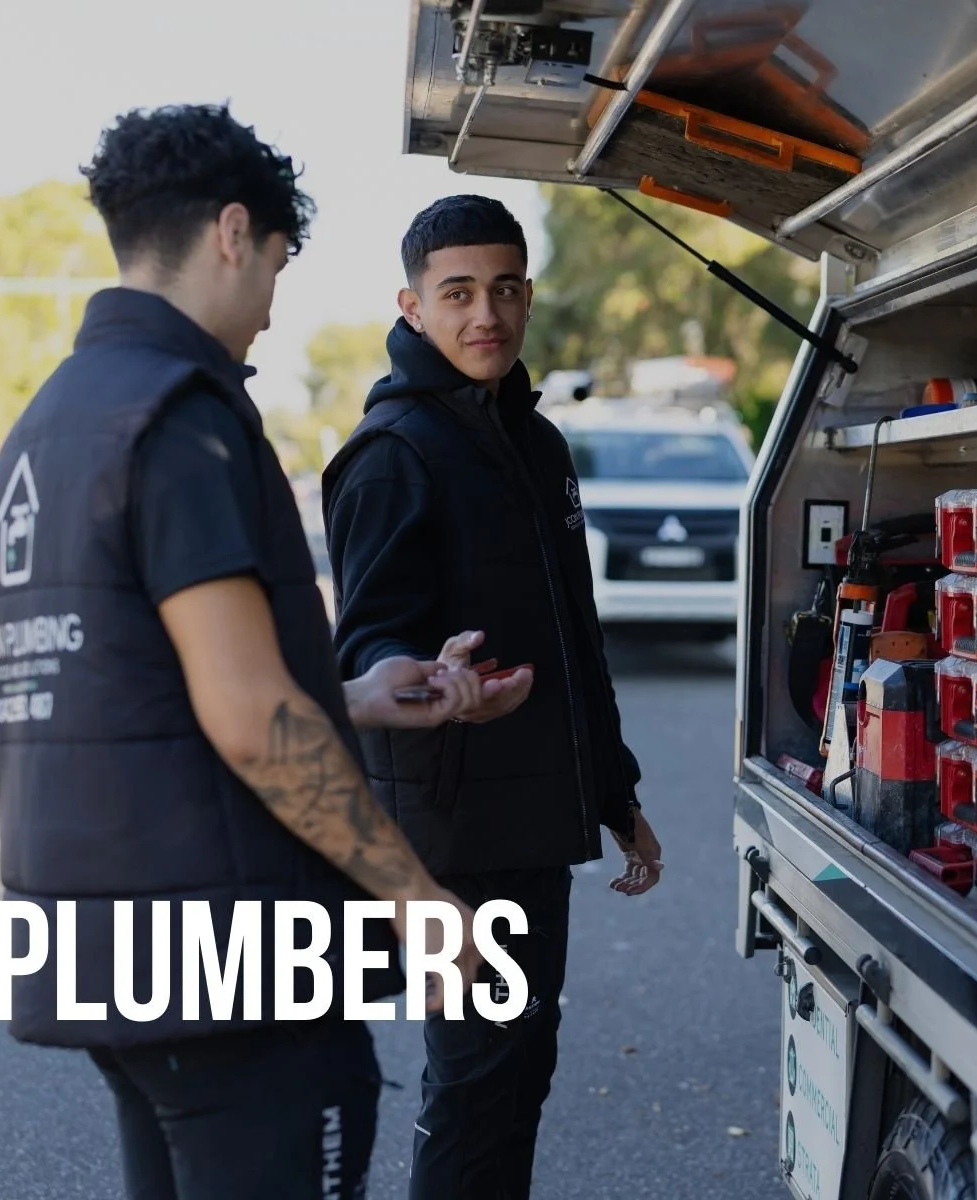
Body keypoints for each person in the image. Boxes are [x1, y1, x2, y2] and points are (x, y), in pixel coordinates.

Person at [0, 106, 527, 1200]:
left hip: (99, 951)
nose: (274, 306)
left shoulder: (50, 423)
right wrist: (414, 896)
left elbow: (137, 678)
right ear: (234, 233)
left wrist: (350, 695)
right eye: (277, 264)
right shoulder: (182, 418)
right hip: (231, 968)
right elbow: (247, 716)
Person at [321, 194, 666, 1199]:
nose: (487, 314)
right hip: (454, 830)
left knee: (517, 1073)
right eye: (459, 292)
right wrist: (433, 671)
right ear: (413, 305)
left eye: (506, 289)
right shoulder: (392, 453)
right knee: (476, 1087)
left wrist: (615, 793)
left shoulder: (536, 443)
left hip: (532, 821)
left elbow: (574, 638)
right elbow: (367, 639)